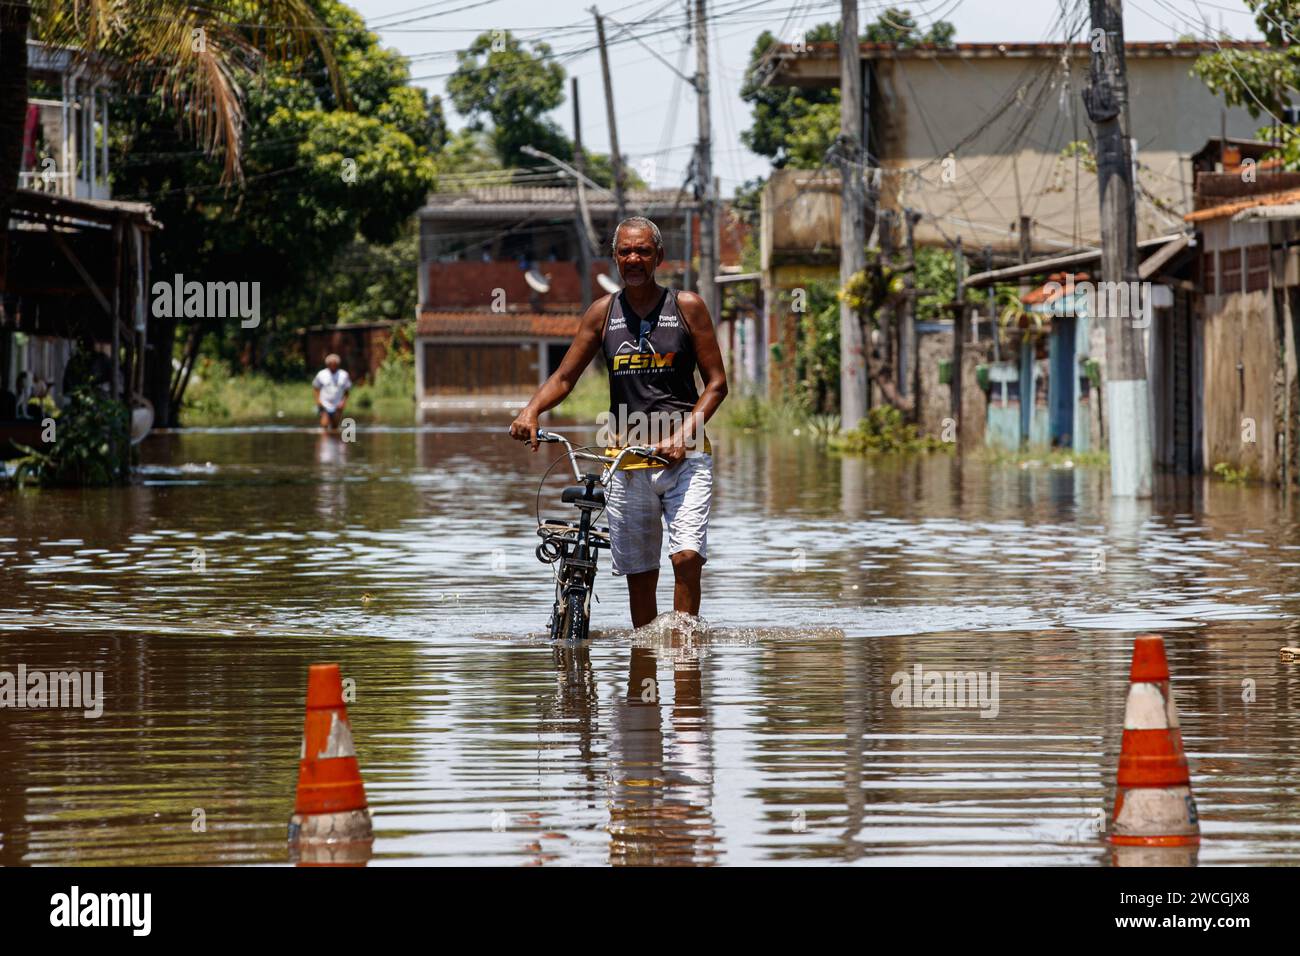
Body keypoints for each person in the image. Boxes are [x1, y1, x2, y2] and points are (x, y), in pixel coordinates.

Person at [509, 216, 728, 629]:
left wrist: (684, 436)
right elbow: (564, 377)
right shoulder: (601, 314)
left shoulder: (686, 307)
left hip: (686, 458)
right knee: (641, 574)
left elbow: (717, 384)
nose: (633, 258)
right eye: (625, 251)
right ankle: (645, 662)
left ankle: (683, 657)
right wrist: (531, 410)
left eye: (643, 251)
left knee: (687, 557)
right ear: (614, 258)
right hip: (625, 461)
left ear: (658, 256)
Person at [312, 354, 351, 430]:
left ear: (338, 364)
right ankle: (324, 441)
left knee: (335, 426)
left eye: (334, 364)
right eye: (330, 364)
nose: (333, 365)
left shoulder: (344, 375)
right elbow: (316, 388)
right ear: (327, 364)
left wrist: (343, 402)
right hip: (324, 403)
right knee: (324, 425)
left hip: (337, 404)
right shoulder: (321, 374)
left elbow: (347, 390)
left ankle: (335, 441)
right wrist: (318, 401)